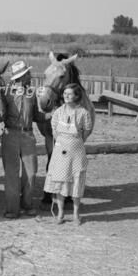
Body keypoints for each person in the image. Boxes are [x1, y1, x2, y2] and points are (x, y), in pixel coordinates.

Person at [0, 60, 50, 219]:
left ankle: (27, 205)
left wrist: (51, 115)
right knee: (12, 174)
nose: (30, 76)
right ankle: (12, 209)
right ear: (20, 77)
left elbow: (36, 116)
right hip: (10, 135)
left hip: (28, 136)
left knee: (31, 172)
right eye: (28, 74)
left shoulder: (31, 93)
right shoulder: (6, 92)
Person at [43, 83, 93, 225]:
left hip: (76, 151)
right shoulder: (58, 112)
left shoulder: (83, 113)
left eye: (70, 94)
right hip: (60, 151)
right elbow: (54, 129)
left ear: (76, 96)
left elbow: (87, 130)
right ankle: (60, 213)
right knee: (60, 180)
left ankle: (76, 214)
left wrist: (76, 141)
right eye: (65, 93)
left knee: (76, 180)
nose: (66, 96)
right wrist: (62, 141)